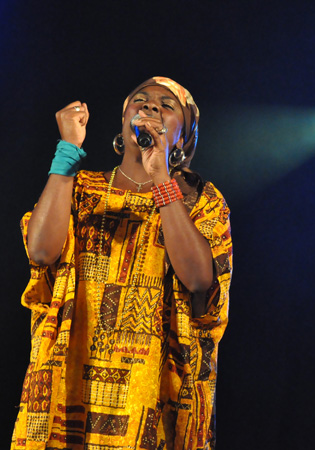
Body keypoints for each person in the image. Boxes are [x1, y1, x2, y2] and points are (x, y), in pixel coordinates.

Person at [11, 77, 232, 449]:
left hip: (155, 398)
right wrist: (67, 150)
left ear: (183, 139)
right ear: (123, 120)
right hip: (71, 387)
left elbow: (199, 280)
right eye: (140, 99)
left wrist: (161, 177)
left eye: (167, 105)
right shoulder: (81, 189)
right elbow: (42, 252)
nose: (150, 105)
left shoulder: (200, 200)